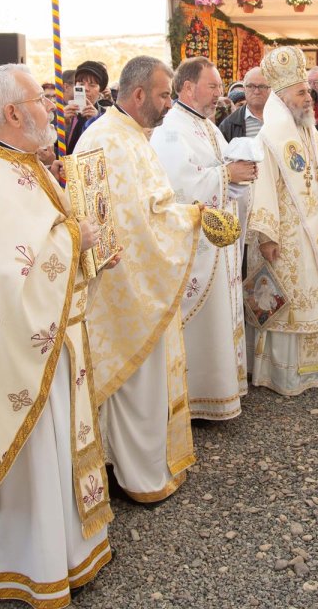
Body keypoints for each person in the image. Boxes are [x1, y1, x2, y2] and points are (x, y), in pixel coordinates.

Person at [0, 64, 114, 604]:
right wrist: (75, 237)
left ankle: (65, 550)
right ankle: (31, 564)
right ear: (14, 113)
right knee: (39, 454)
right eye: (42, 100)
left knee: (58, 450)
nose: (54, 107)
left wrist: (74, 235)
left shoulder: (21, 164)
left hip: (53, 334)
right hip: (22, 347)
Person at [75, 55, 210, 503]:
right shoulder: (107, 141)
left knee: (141, 382)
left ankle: (139, 466)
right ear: (137, 95)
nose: (170, 103)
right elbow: (133, 221)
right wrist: (189, 217)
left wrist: (181, 216)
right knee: (134, 385)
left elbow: (146, 208)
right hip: (124, 287)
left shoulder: (128, 135)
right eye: (164, 94)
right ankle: (138, 477)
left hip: (138, 280)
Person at [151, 56, 255, 420]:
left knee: (219, 319)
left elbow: (219, 173)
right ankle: (195, 400)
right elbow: (180, 186)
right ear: (187, 87)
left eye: (219, 85)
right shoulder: (171, 130)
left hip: (218, 243)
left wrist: (238, 175)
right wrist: (229, 174)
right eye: (212, 86)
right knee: (199, 324)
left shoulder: (208, 127)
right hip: (196, 247)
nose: (219, 93)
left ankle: (221, 390)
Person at [246, 47, 318, 393]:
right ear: (283, 97)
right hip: (285, 237)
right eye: (302, 92)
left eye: (308, 91)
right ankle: (281, 374)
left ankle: (312, 371)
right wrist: (266, 237)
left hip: (313, 233)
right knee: (288, 302)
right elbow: (263, 189)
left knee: (311, 296)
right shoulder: (270, 136)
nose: (310, 98)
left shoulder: (310, 132)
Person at [64, 61, 110, 153]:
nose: (86, 89)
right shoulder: (63, 113)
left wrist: (97, 121)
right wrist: (63, 125)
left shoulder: (107, 116)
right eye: (81, 84)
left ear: (100, 91)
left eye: (92, 85)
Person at [219, 66, 269, 141]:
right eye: (251, 86)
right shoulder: (228, 125)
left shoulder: (283, 118)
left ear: (270, 89)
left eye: (262, 86)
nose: (256, 91)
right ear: (244, 89)